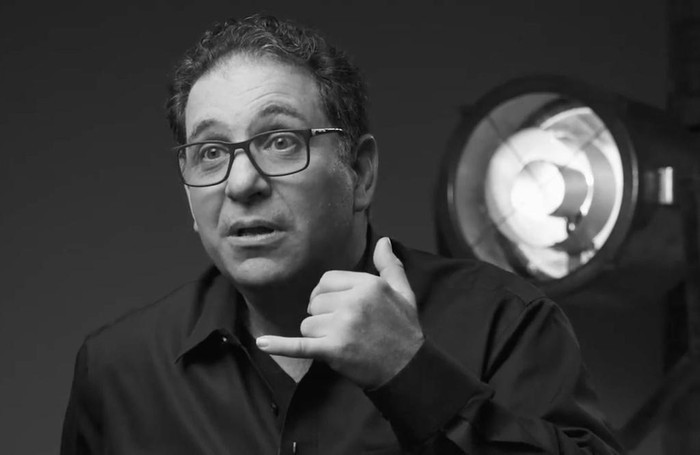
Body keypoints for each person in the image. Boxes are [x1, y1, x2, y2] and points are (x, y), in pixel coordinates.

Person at [60, 13, 624, 455]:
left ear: (360, 172)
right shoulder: (118, 371)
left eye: (280, 141)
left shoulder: (506, 325)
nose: (241, 182)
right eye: (210, 153)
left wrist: (411, 377)